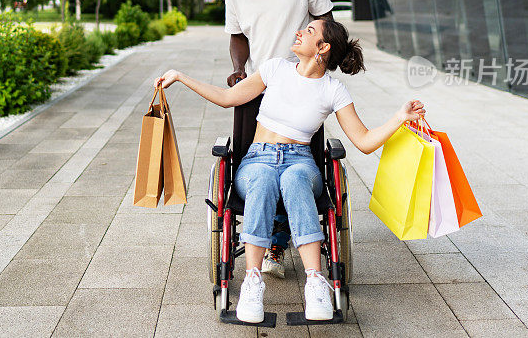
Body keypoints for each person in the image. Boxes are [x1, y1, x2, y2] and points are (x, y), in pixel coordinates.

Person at [155, 18, 425, 323]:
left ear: (322, 48)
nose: (299, 31)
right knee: (263, 179)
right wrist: (180, 77)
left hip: (300, 161)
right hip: (257, 159)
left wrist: (400, 117)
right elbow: (227, 98)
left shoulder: (333, 90)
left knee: (294, 178)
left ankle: (315, 283)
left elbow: (363, 141)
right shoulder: (275, 69)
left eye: (309, 31)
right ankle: (252, 283)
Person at [224, 0, 334, 279]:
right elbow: (238, 36)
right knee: (263, 162)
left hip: (302, 86)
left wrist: (320, 71)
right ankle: (272, 240)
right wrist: (239, 69)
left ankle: (278, 240)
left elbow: (327, 27)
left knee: (297, 161)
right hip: (259, 84)